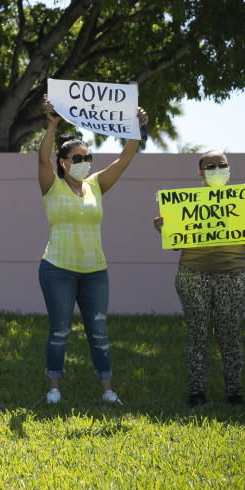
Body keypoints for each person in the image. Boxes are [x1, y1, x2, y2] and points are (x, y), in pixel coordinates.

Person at [36, 99, 147, 405]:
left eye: (88, 156)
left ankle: (108, 391)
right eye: (78, 156)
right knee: (59, 331)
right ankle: (54, 389)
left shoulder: (96, 184)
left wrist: (134, 127)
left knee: (98, 332)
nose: (85, 160)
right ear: (64, 162)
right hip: (57, 269)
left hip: (95, 272)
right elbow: (42, 158)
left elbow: (124, 159)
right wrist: (52, 124)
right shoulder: (51, 185)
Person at [152, 151, 245, 406]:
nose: (216, 169)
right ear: (200, 172)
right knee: (198, 333)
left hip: (233, 277)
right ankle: (197, 391)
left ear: (230, 168)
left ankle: (234, 392)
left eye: (221, 165)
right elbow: (174, 245)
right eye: (210, 166)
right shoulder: (184, 204)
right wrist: (165, 226)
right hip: (192, 275)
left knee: (230, 333)